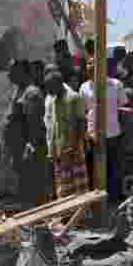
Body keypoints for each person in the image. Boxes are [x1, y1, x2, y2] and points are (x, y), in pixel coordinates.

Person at [80, 58, 126, 205]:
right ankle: (96, 199)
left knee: (112, 167)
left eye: (92, 66)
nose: (88, 68)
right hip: (93, 134)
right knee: (93, 167)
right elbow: (84, 110)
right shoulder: (84, 87)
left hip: (112, 133)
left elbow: (123, 104)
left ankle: (112, 199)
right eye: (87, 66)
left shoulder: (116, 85)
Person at [6, 59, 48, 210]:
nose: (9, 74)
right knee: (25, 188)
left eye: (12, 71)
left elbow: (34, 123)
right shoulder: (19, 90)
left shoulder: (31, 93)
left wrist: (30, 145)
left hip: (29, 148)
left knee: (32, 189)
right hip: (19, 147)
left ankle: (37, 222)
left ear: (21, 72)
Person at [44, 66, 88, 200]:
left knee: (78, 188)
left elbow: (81, 125)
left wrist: (73, 148)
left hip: (73, 151)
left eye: (50, 87)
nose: (48, 91)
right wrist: (53, 152)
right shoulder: (53, 101)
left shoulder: (74, 98)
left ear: (58, 83)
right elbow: (53, 129)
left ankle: (81, 217)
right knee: (64, 190)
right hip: (60, 153)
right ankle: (68, 217)